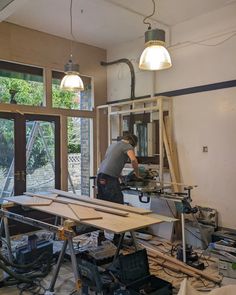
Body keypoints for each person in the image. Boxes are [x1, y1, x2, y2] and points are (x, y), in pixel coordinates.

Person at [97, 133, 140, 204]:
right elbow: (134, 160)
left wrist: (119, 176)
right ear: (132, 142)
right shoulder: (128, 146)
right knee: (117, 202)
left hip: (100, 176)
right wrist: (137, 174)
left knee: (103, 202)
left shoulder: (112, 145)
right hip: (109, 178)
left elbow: (110, 162)